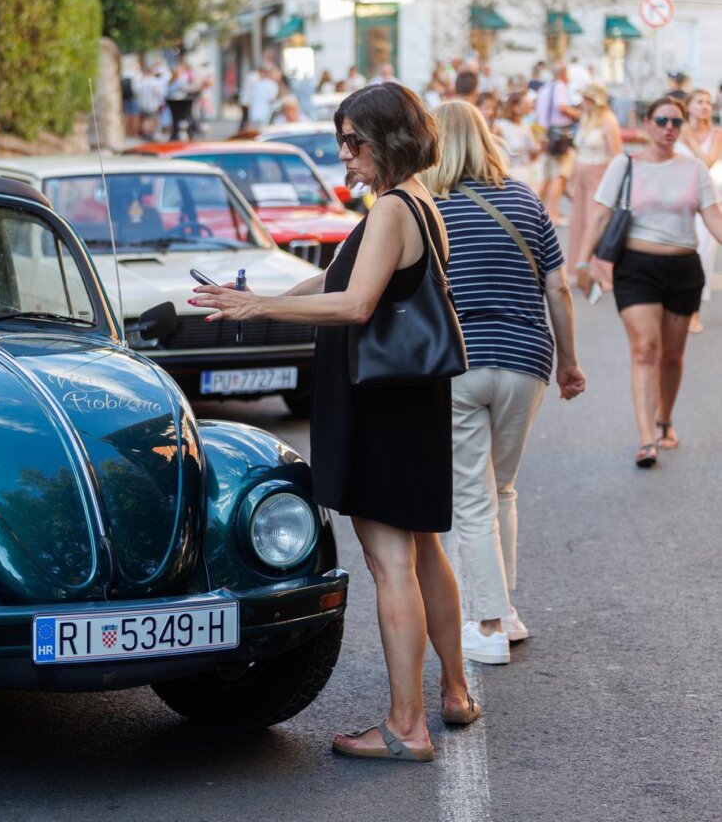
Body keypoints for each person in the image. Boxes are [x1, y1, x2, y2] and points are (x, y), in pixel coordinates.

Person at [190, 83, 479, 762]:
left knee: (389, 563)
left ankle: (406, 728)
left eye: (355, 141)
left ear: (391, 139)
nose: (343, 155)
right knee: (424, 550)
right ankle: (457, 692)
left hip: (378, 401)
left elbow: (356, 305)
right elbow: (335, 281)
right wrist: (251, 299)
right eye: (340, 141)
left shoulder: (391, 211)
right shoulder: (417, 203)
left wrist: (259, 312)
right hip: (408, 398)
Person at [420, 102, 586, 664]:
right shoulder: (526, 200)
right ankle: (507, 611)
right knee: (503, 488)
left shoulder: (429, 206)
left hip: (459, 363)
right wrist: (569, 362)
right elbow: (558, 289)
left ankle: (488, 626)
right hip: (525, 361)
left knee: (471, 495)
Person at [574, 96, 722, 466]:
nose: (669, 128)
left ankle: (664, 419)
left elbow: (714, 218)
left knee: (672, 356)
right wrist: (582, 261)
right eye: (662, 120)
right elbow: (598, 215)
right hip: (636, 269)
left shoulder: (694, 170)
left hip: (684, 270)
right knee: (644, 350)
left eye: (676, 121)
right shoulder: (625, 165)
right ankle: (645, 440)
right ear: (647, 124)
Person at [676, 89, 722, 332]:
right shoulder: (675, 131)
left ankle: (694, 311)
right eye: (699, 102)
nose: (705, 106)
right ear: (688, 106)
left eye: (708, 102)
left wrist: (690, 140)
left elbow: (709, 161)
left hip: (707, 202)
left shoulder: (716, 134)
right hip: (678, 202)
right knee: (678, 253)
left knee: (703, 256)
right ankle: (676, 308)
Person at [569, 84, 623, 290]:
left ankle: (601, 273)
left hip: (599, 175)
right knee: (580, 222)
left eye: (586, 99)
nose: (583, 103)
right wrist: (571, 179)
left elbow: (616, 155)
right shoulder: (586, 118)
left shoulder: (608, 121)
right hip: (582, 174)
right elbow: (577, 150)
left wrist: (612, 183)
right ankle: (578, 270)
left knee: (596, 223)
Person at [536, 64, 579, 224]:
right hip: (560, 137)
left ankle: (539, 211)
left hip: (546, 136)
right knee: (560, 176)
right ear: (562, 74)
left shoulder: (545, 87)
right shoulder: (559, 86)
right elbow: (562, 107)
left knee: (547, 176)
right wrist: (576, 114)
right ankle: (553, 213)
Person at [494, 91, 538, 186]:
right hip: (509, 176)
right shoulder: (500, 126)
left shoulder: (526, 126)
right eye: (525, 103)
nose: (529, 106)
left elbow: (533, 155)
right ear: (515, 107)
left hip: (527, 175)